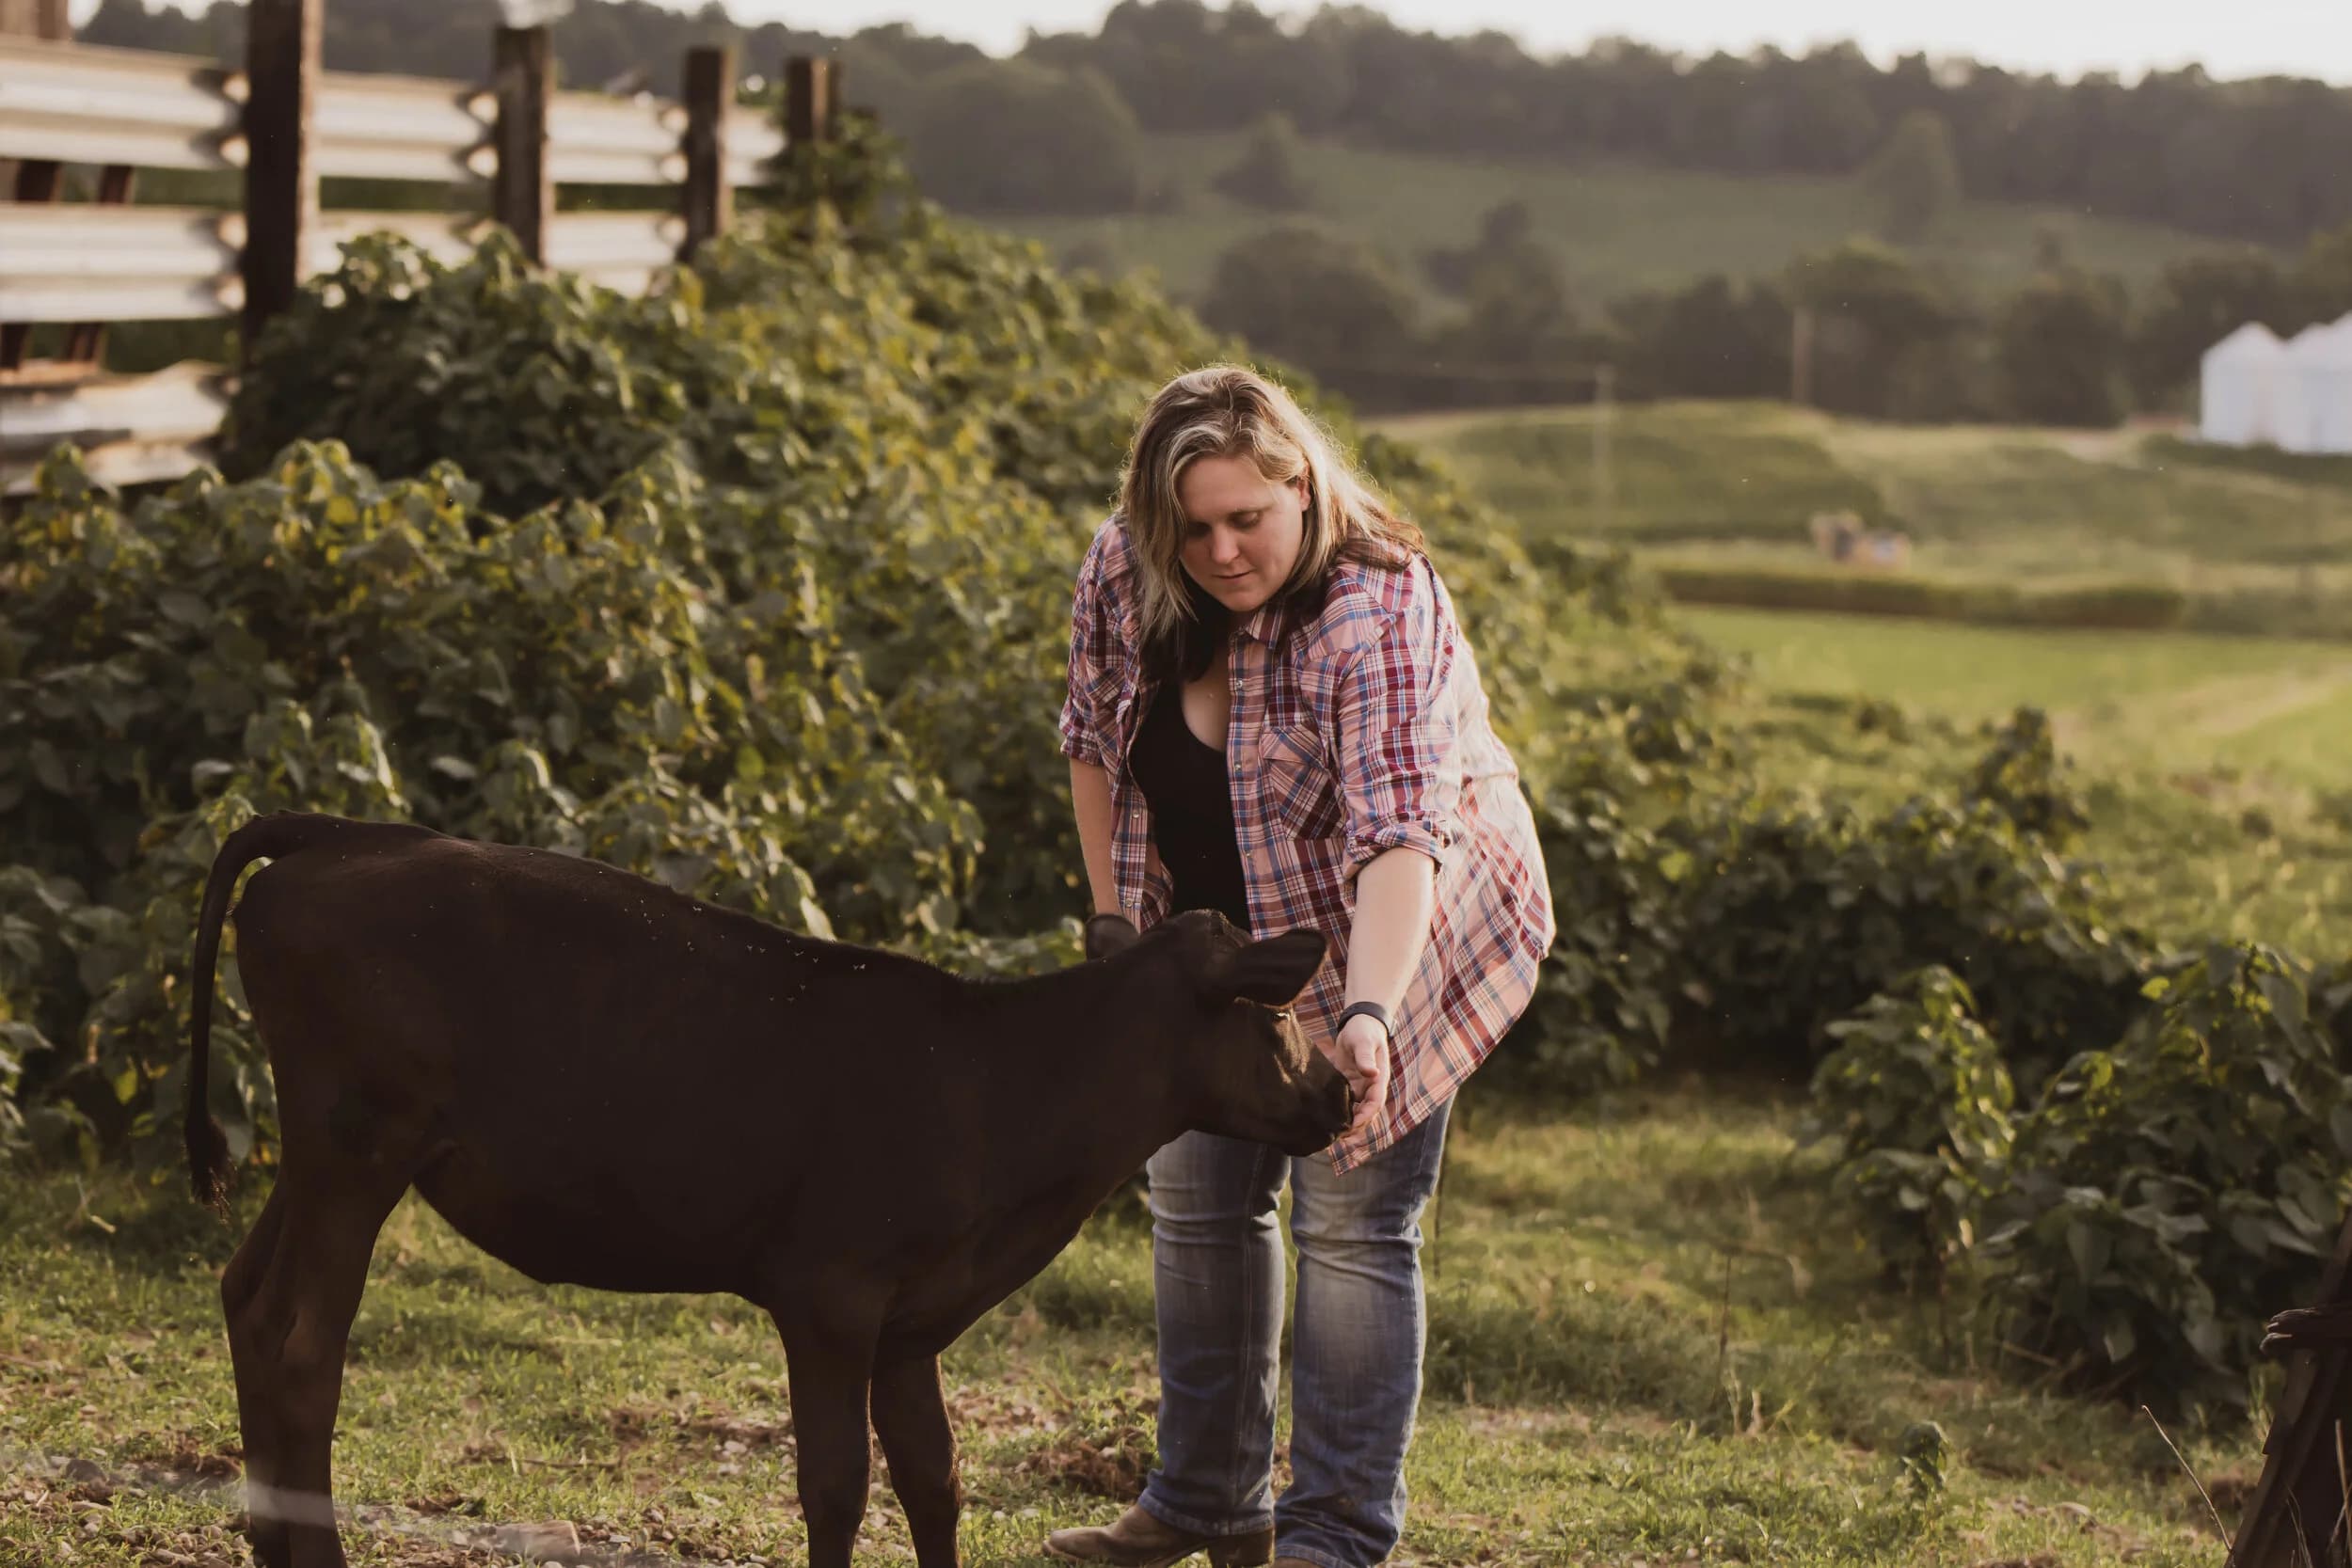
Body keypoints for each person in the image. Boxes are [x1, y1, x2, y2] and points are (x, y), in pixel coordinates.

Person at [1043, 365, 1553, 1568]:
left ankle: (1333, 1533)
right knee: (1197, 1200)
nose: (1220, 550)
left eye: (1247, 519)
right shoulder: (1124, 566)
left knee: (1351, 1220)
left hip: (1401, 924)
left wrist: (1368, 1014)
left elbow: (1397, 835)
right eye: (1194, 527)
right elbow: (1088, 746)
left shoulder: (1376, 608)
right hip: (1210, 935)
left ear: (1302, 488)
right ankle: (1204, 1499)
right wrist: (1118, 931)